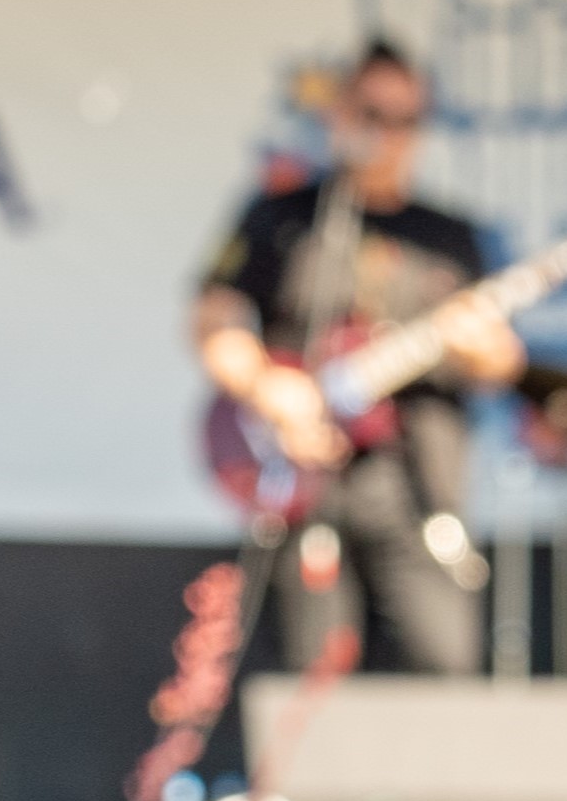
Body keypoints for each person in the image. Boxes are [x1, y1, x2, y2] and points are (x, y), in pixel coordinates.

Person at [193, 39, 525, 677]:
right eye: (373, 114)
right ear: (340, 113)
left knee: (442, 665)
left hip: (417, 488)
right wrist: (268, 386)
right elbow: (213, 321)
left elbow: (502, 362)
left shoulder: (449, 236)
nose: (389, 134)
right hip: (306, 481)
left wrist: (484, 348)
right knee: (311, 679)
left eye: (407, 120)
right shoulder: (281, 217)